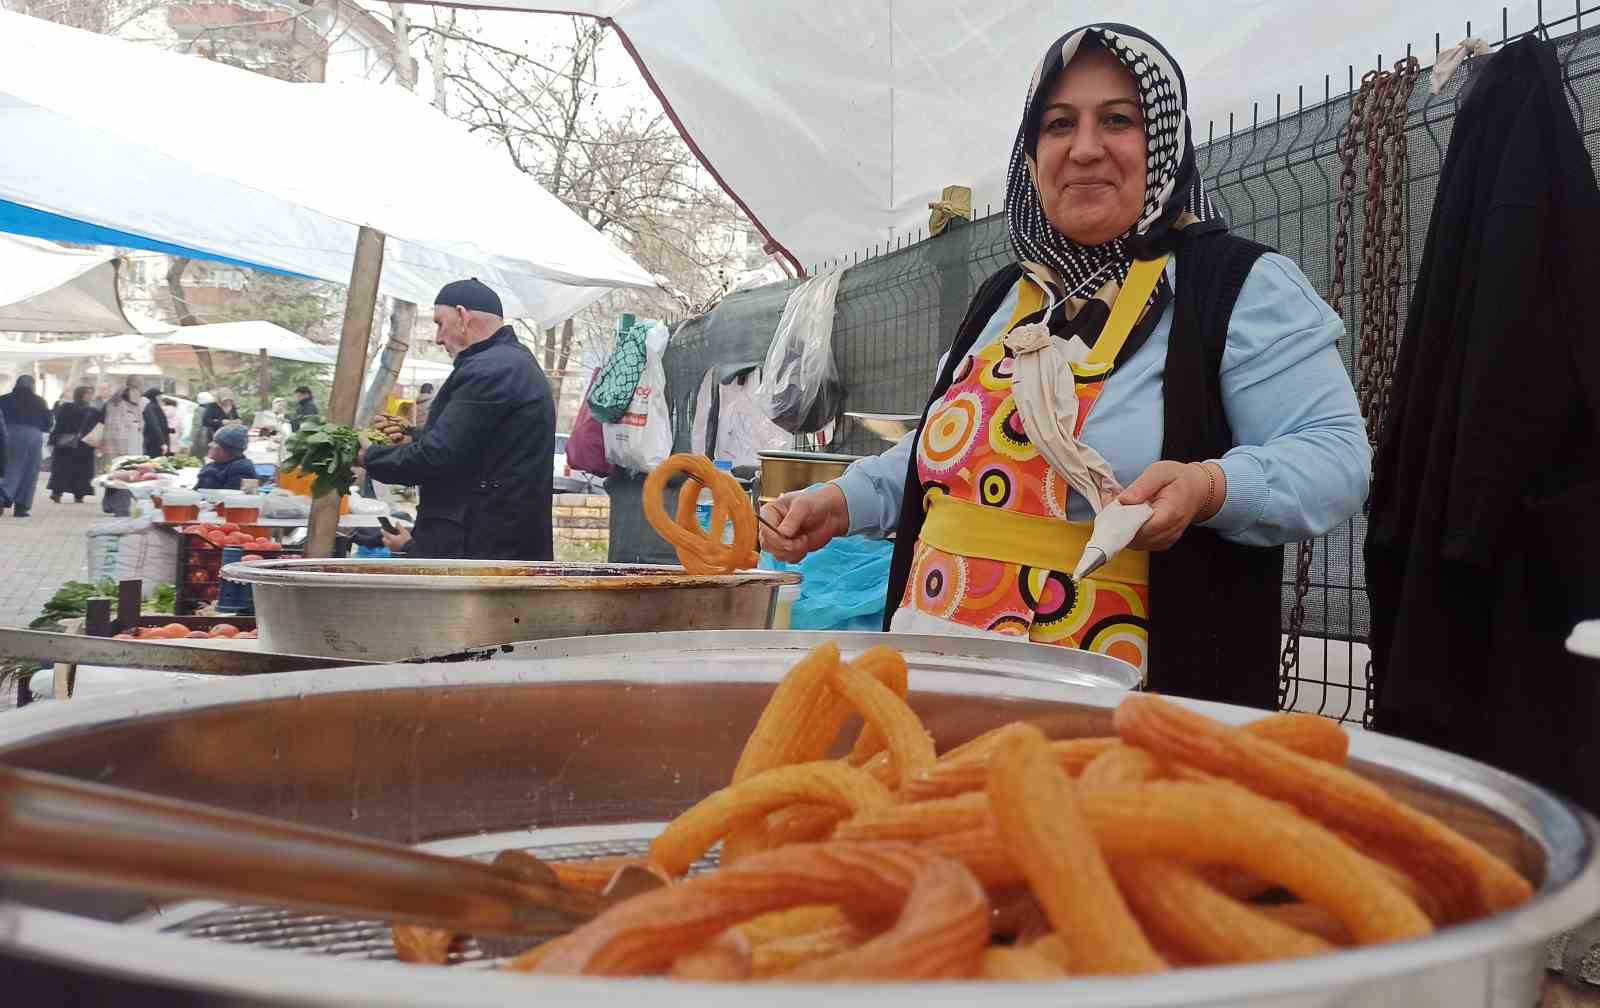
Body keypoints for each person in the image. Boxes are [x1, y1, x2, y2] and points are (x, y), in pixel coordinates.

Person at [759, 24, 1369, 710]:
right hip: (935, 678)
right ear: (1033, 153)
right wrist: (840, 502)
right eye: (1058, 125)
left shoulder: (1237, 288)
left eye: (1118, 120)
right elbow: (945, 461)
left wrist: (1211, 486)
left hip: (1128, 708)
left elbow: (1336, 459)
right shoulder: (1006, 297)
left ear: (1163, 142)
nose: (1084, 148)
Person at [360, 278, 555, 561]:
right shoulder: (508, 363)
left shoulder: (491, 370)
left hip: (480, 546)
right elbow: (478, 445)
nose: (438, 338)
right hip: (493, 540)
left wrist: (371, 457)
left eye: (440, 322)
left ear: (463, 316)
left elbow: (440, 455)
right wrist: (413, 437)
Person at [0, 375, 53, 516]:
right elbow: (48, 423)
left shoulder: (3, 399)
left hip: (5, 433)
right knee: (29, 472)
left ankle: (1, 497)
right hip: (31, 437)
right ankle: (21, 507)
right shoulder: (39, 401)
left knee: (5, 468)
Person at [47, 386, 96, 504]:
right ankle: (66, 494)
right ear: (80, 394)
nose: (90, 396)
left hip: (73, 444)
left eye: (91, 394)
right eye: (87, 393)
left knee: (68, 469)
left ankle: (68, 493)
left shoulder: (69, 408)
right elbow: (60, 424)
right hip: (76, 445)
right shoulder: (87, 410)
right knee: (72, 470)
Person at [195, 425, 258, 490]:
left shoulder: (243, 470)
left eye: (215, 442)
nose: (210, 444)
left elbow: (235, 497)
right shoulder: (210, 466)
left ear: (228, 449)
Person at [141, 387, 173, 458]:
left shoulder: (154, 407)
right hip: (154, 442)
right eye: (159, 396)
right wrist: (162, 443)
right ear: (154, 397)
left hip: (156, 441)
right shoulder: (151, 408)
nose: (161, 398)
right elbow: (154, 425)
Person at [189, 391, 216, 458]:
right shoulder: (212, 411)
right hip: (210, 439)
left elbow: (196, 427)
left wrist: (191, 441)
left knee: (196, 458)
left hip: (200, 439)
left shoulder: (199, 411)